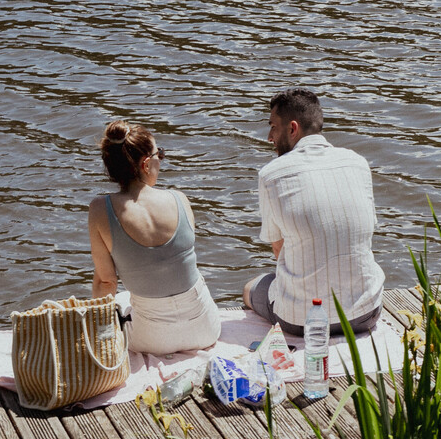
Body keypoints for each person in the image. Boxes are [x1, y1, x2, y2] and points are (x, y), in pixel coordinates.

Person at [243, 87, 385, 338]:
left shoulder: (271, 174)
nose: (269, 137)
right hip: (366, 313)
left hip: (301, 321)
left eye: (273, 127)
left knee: (251, 288)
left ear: (293, 129)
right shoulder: (358, 163)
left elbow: (279, 251)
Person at [88, 119, 221, 355]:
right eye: (159, 153)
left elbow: (106, 282)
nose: (161, 158)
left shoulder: (100, 209)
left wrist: (98, 335)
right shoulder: (180, 199)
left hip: (150, 341)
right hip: (206, 330)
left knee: (120, 298)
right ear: (146, 164)